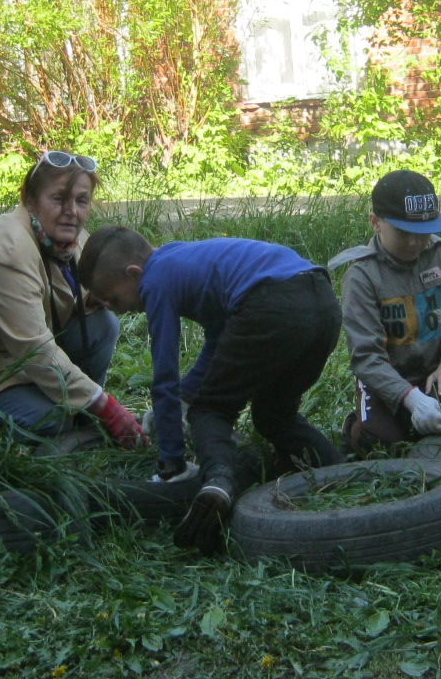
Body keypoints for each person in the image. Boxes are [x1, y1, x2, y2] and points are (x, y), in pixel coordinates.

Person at [79, 226, 344, 554]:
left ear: (134, 273)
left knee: (209, 411)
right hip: (323, 304)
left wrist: (171, 463)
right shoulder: (183, 260)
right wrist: (185, 395)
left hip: (272, 302)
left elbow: (164, 375)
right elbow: (220, 339)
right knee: (275, 416)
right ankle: (342, 470)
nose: (114, 309)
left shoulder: (155, 279)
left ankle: (218, 482)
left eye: (114, 299)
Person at [0, 153, 143, 448]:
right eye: (59, 199)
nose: (71, 212)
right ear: (30, 200)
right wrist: (107, 407)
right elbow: (34, 348)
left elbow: (81, 292)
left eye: (82, 201)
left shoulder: (68, 240)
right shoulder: (6, 250)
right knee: (51, 419)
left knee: (103, 325)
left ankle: (82, 415)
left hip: (18, 363)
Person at [331, 169, 441, 450]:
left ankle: (411, 417)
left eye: (423, 232)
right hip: (384, 379)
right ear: (376, 223)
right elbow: (366, 356)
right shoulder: (362, 275)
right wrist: (411, 398)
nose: (415, 242)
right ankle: (355, 424)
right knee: (379, 441)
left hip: (433, 370)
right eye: (403, 232)